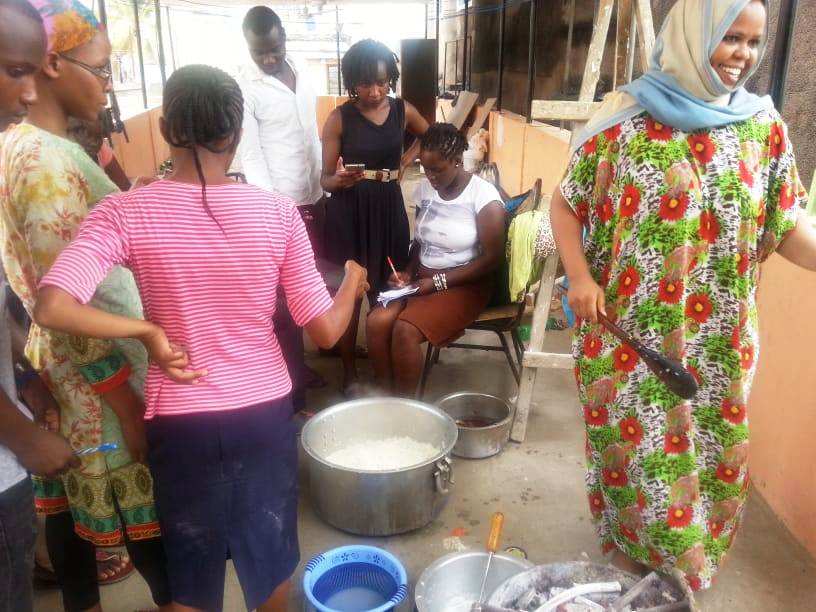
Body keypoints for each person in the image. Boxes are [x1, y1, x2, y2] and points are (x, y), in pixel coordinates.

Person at [34, 64, 367, 612]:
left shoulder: (124, 210)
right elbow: (327, 332)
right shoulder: (278, 213)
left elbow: (52, 305)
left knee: (191, 572)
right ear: (236, 134)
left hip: (179, 422)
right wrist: (352, 282)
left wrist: (146, 331)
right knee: (271, 556)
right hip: (261, 415)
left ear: (166, 127)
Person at [551, 0, 816, 591]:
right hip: (630, 334)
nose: (742, 56)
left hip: (718, 339)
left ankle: (685, 567)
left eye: (752, 42)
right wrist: (581, 276)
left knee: (709, 457)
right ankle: (631, 549)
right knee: (635, 452)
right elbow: (567, 202)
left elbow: (786, 222)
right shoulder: (622, 120)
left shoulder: (762, 129)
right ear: (695, 35)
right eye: (730, 38)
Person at [0, 1, 172, 610]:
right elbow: (63, 300)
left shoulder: (23, 146)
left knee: (71, 518)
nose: (107, 82)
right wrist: (124, 400)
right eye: (100, 68)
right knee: (151, 531)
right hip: (99, 383)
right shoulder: (47, 164)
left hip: (60, 378)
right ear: (51, 64)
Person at [0, 3, 79, 610]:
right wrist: (22, 438)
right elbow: (62, 298)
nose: (29, 93)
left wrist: (24, 379)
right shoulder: (41, 162)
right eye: (16, 71)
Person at [321, 38, 429, 395]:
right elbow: (325, 179)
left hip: (388, 208)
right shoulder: (339, 118)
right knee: (349, 293)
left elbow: (431, 137)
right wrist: (339, 180)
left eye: (382, 82)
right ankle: (349, 371)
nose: (375, 91)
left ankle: (385, 367)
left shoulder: (402, 110)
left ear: (391, 79)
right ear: (352, 82)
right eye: (366, 83)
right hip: (348, 211)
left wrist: (407, 158)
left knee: (389, 284)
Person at [367, 123, 505, 396]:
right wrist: (407, 272)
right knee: (376, 321)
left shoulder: (483, 196)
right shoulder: (426, 191)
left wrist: (438, 283)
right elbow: (420, 242)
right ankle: (384, 397)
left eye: (437, 170)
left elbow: (492, 259)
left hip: (465, 282)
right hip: (423, 279)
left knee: (404, 331)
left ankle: (405, 407)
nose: (429, 176)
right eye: (425, 168)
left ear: (457, 161)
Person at [238, 5, 327, 408]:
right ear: (250, 48)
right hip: (281, 207)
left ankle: (322, 349)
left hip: (316, 195)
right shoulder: (245, 87)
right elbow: (252, 156)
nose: (269, 59)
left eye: (274, 49)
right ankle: (293, 386)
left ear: (284, 39)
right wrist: (273, 211)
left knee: (317, 284)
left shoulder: (304, 70)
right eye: (261, 54)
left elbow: (312, 134)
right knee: (286, 302)